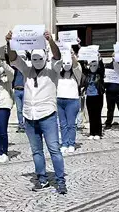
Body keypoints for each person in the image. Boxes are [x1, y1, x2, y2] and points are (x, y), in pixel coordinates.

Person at [6, 31, 67, 195]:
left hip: (47, 115)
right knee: (36, 151)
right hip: (29, 116)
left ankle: (61, 181)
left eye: (40, 58)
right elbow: (13, 59)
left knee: (54, 149)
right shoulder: (27, 70)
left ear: (45, 57)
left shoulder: (52, 69)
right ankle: (42, 179)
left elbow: (57, 56)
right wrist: (10, 42)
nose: (38, 62)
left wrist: (51, 41)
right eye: (35, 59)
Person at [56, 50, 82, 154]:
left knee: (71, 124)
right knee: (62, 124)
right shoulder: (58, 74)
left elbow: (76, 66)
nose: (66, 65)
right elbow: (54, 64)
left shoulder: (76, 74)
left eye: (68, 63)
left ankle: (71, 143)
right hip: (60, 100)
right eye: (64, 63)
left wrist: (72, 56)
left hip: (72, 100)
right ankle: (64, 143)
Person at [81, 58, 105, 139]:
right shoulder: (87, 74)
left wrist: (100, 60)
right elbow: (82, 67)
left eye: (94, 65)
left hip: (98, 96)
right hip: (89, 96)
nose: (92, 67)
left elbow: (102, 68)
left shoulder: (100, 74)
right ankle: (92, 133)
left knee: (97, 115)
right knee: (91, 115)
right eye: (90, 65)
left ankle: (98, 133)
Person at [12, 55, 27, 133]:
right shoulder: (15, 68)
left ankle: (26, 125)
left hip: (25, 90)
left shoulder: (26, 68)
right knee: (19, 109)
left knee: (25, 109)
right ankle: (21, 125)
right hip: (17, 90)